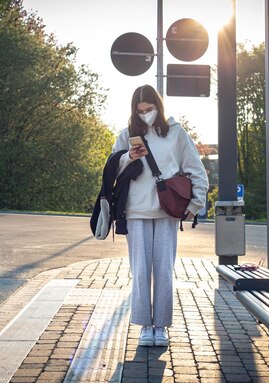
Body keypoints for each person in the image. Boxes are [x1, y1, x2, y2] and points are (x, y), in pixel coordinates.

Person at [112, 84, 208, 347]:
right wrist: (127, 157)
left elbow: (197, 170)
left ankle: (161, 327)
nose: (145, 114)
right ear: (134, 111)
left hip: (168, 211)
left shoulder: (176, 134)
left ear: (159, 107)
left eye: (150, 109)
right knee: (140, 271)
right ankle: (145, 326)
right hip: (135, 211)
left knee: (164, 270)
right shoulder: (126, 134)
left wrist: (195, 204)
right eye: (140, 110)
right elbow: (112, 168)